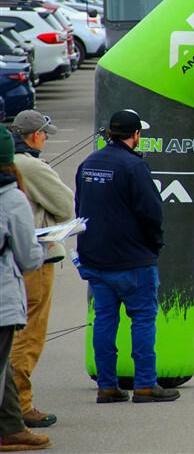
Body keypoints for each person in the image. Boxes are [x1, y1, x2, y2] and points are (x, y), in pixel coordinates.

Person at [75, 109, 179, 404]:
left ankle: (107, 386)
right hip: (133, 259)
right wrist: (154, 244)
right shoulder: (134, 167)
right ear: (136, 135)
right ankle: (145, 384)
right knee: (143, 320)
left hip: (95, 258)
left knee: (104, 321)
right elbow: (152, 212)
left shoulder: (88, 164)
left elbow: (79, 206)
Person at [9, 111, 74, 429]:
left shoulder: (12, 162)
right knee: (29, 334)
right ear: (34, 136)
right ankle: (21, 403)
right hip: (37, 257)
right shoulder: (30, 164)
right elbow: (65, 205)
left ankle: (14, 403)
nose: (46, 139)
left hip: (13, 260)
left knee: (15, 332)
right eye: (45, 134)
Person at [0, 127, 51, 450]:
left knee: (3, 368)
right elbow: (29, 256)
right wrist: (44, 245)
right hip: (3, 297)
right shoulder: (12, 197)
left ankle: (11, 426)